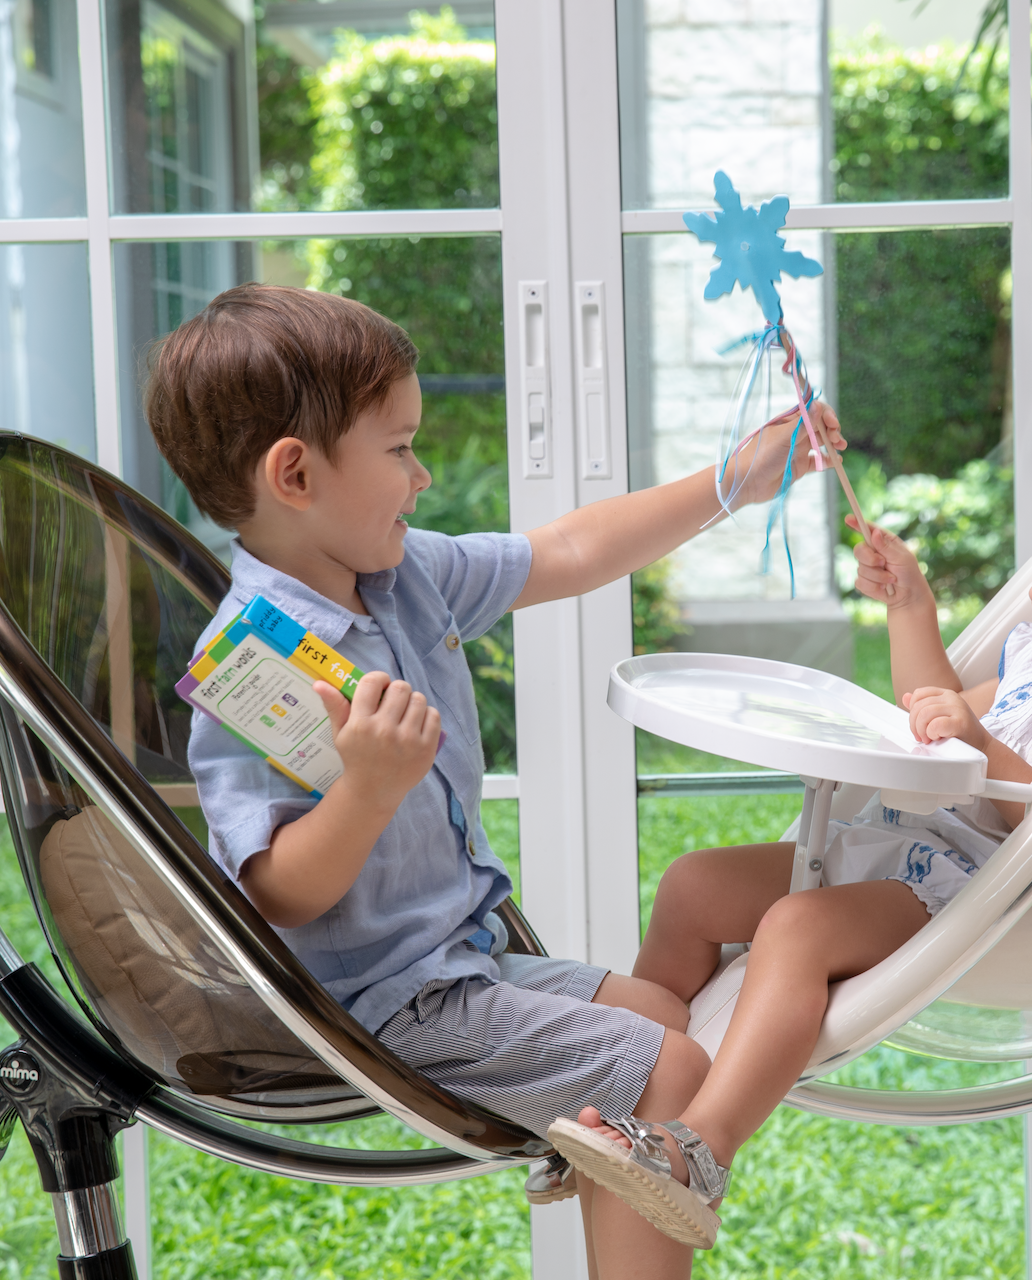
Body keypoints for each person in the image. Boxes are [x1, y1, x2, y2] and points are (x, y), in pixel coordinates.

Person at [148, 283, 845, 1280]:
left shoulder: (399, 572)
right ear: (295, 473)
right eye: (397, 449)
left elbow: (570, 549)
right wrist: (366, 790)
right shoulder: (259, 665)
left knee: (663, 1011)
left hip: (461, 964)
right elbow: (272, 891)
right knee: (671, 1069)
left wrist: (735, 479)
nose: (421, 473)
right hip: (379, 1004)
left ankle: (587, 1144)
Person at [549, 437, 1032, 1250]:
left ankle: (701, 1148)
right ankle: (636, 1090)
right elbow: (936, 713)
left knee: (796, 926)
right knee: (693, 884)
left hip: (973, 892)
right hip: (898, 844)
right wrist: (910, 609)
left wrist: (980, 743)